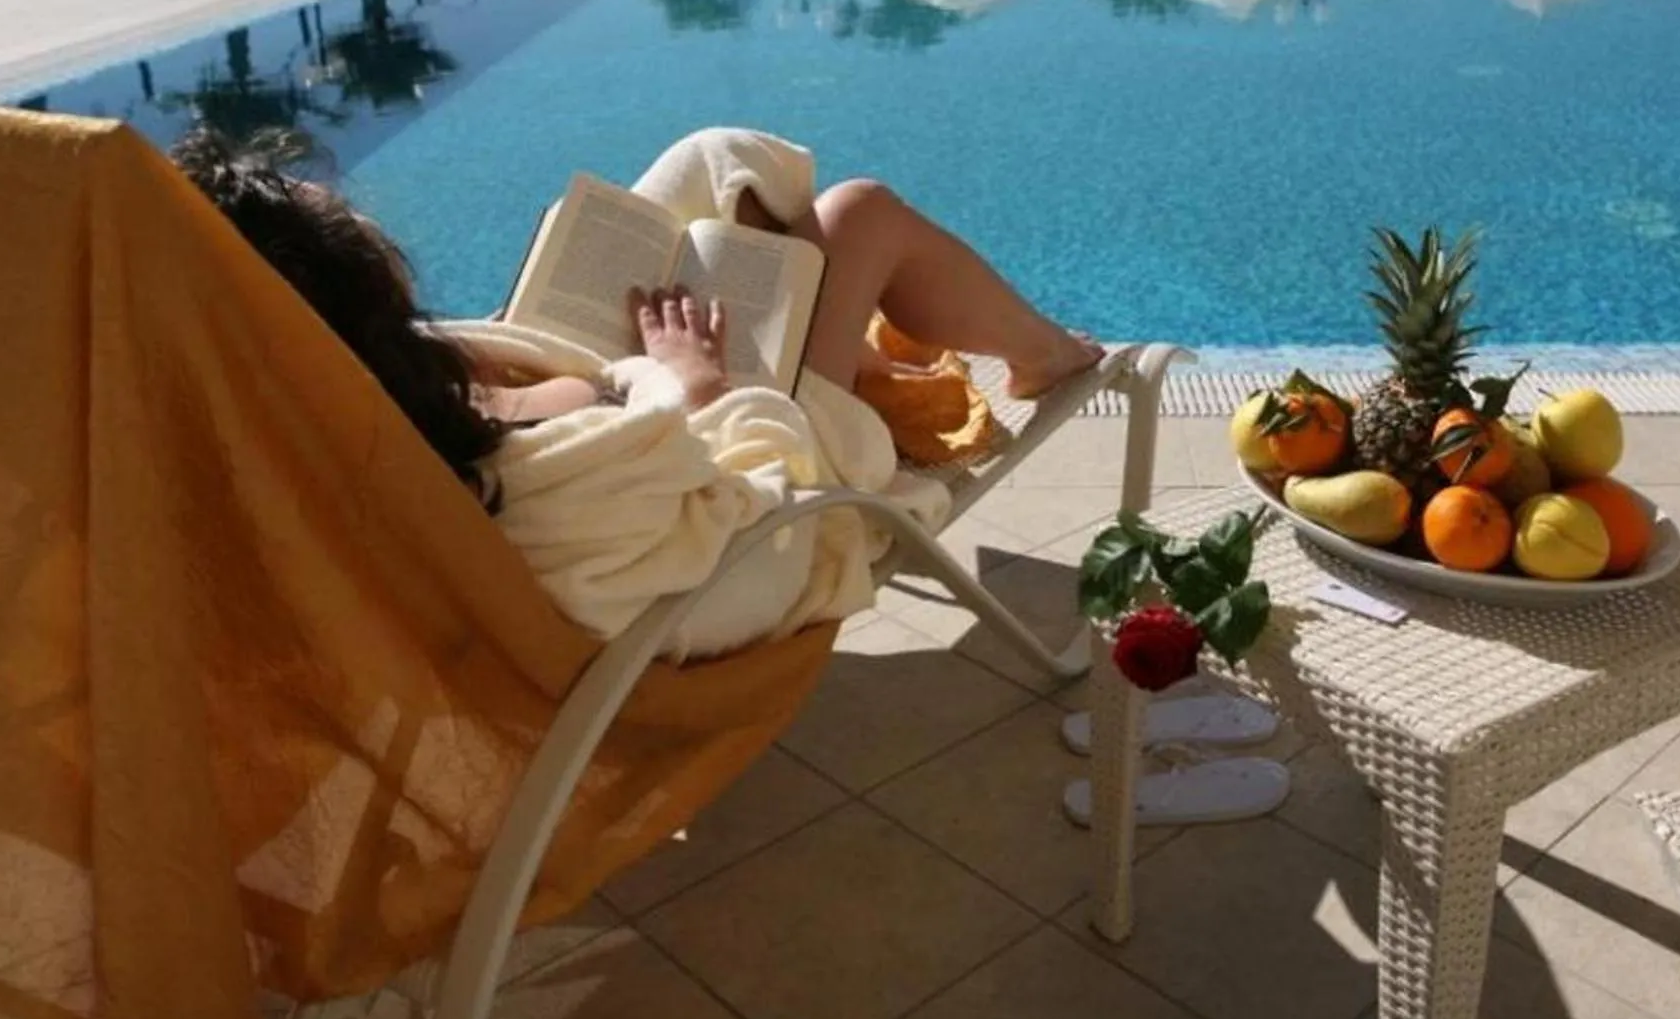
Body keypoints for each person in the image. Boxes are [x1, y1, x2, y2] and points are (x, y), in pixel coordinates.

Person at [170, 125, 1102, 661]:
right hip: (766, 482)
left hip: (629, 403)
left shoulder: (306, 412)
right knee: (855, 215)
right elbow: (750, 515)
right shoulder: (539, 485)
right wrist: (694, 383)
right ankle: (1040, 357)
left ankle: (850, 341)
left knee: (708, 170)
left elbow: (527, 414)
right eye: (360, 240)